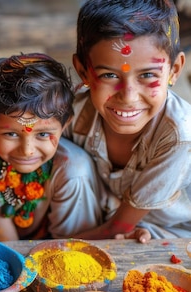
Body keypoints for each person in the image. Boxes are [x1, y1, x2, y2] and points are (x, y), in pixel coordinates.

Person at [66, 0, 190, 240]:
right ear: (83, 72)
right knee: (67, 160)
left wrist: (57, 247)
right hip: (105, 216)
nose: (128, 96)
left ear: (174, 70)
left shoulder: (180, 136)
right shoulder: (74, 110)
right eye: (109, 75)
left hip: (171, 234)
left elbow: (118, 228)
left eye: (147, 75)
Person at [0, 53, 103, 241]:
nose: (27, 150)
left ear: (64, 125)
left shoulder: (73, 171)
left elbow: (68, 247)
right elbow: (6, 241)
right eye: (11, 134)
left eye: (43, 134)